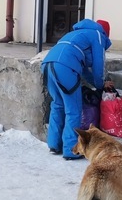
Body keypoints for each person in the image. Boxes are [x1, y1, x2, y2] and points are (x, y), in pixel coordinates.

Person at [41, 19, 113, 160]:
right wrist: (100, 84)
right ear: (106, 34)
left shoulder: (77, 34)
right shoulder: (98, 35)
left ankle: (54, 144)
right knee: (73, 109)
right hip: (65, 67)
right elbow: (98, 65)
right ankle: (70, 150)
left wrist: (96, 83)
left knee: (57, 104)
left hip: (47, 64)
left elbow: (83, 68)